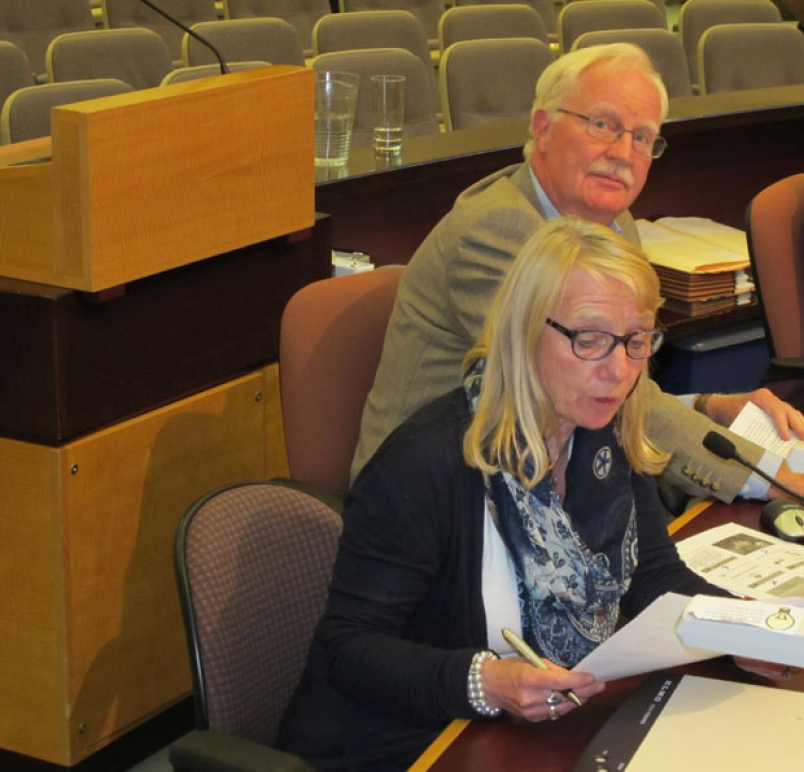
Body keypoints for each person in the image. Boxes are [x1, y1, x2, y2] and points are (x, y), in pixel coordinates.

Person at [276, 219, 789, 772]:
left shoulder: (602, 431)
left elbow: (653, 576)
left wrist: (738, 627)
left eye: (636, 341)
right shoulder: (423, 465)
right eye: (589, 339)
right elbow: (349, 648)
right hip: (405, 745)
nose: (618, 371)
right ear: (523, 332)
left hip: (527, 733)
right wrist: (486, 681)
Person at [350, 43, 804, 506]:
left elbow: (613, 386)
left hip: (546, 474)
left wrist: (712, 409)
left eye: (643, 137)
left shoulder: (612, 221)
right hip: (434, 507)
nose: (624, 153)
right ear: (543, 128)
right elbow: (580, 390)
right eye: (603, 125)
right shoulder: (497, 230)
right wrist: (772, 475)